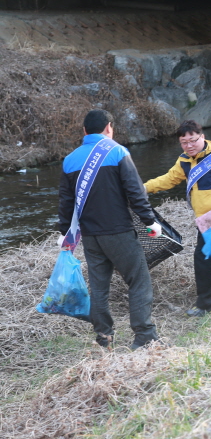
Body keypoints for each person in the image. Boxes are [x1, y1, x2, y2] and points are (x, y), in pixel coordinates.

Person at [57, 109, 161, 351]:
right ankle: (144, 336)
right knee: (139, 280)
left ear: (84, 131)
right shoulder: (117, 152)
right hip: (118, 232)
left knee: (99, 287)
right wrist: (150, 221)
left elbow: (65, 201)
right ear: (109, 128)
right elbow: (136, 193)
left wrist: (65, 233)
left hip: (90, 237)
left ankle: (104, 336)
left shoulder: (69, 160)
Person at [144, 120, 211, 316]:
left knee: (202, 259)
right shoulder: (184, 160)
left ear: (203, 137)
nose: (189, 146)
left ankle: (208, 304)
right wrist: (144, 188)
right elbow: (169, 179)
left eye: (193, 140)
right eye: (184, 142)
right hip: (204, 218)